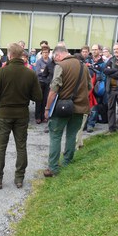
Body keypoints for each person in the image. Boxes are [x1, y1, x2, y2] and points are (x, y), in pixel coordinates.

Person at [0, 43, 42, 188]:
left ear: (10, 55)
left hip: (4, 114)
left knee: (1, 147)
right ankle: (19, 179)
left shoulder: (2, 72)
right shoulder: (30, 73)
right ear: (22, 56)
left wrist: (4, 95)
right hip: (22, 115)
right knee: (21, 146)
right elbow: (38, 96)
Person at [43, 46, 90, 177]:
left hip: (62, 107)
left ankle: (53, 167)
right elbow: (90, 86)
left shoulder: (61, 66)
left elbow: (54, 89)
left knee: (56, 135)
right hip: (80, 107)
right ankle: (67, 162)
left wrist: (47, 108)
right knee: (71, 134)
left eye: (55, 58)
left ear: (58, 55)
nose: (55, 61)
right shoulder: (84, 66)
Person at [35, 46, 51, 124]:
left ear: (49, 53)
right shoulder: (38, 61)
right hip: (40, 83)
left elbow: (52, 72)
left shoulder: (51, 61)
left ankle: (44, 116)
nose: (45, 54)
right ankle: (38, 117)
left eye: (47, 52)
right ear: (42, 53)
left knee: (45, 100)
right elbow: (38, 72)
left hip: (48, 83)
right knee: (39, 100)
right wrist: (45, 71)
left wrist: (43, 71)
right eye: (44, 52)